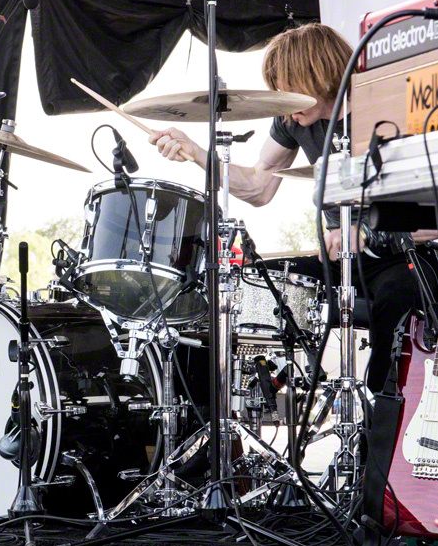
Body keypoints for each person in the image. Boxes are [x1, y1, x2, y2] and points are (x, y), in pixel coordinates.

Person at [150, 21, 438, 393]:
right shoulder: (293, 119)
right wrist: (196, 153)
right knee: (252, 283)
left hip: (409, 256)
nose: (281, 102)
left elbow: (431, 216)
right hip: (341, 260)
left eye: (286, 89)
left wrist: (365, 233)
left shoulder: (386, 107)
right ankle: (242, 404)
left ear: (318, 76)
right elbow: (258, 187)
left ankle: (384, 413)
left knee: (394, 298)